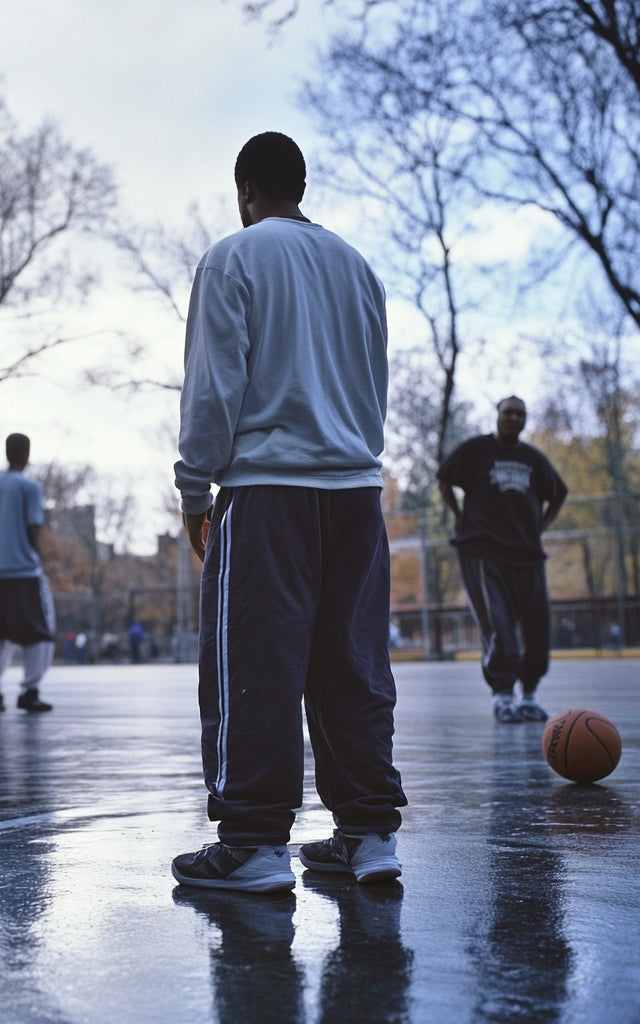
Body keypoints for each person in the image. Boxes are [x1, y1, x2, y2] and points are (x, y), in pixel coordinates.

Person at [171, 131, 407, 894]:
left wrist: (194, 488)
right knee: (355, 667)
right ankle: (369, 836)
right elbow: (372, 385)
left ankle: (254, 844)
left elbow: (215, 388)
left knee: (257, 667)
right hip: (355, 493)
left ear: (246, 190)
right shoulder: (357, 267)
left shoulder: (234, 258)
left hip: (270, 493)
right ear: (299, 186)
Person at [437, 396, 568, 723]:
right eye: (508, 412)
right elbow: (444, 478)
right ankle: (503, 697)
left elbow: (559, 493)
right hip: (483, 551)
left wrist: (541, 525)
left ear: (525, 421)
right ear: (497, 414)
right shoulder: (476, 451)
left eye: (520, 414)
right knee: (500, 627)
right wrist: (459, 516)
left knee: (537, 631)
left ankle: (529, 697)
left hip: (526, 555)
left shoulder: (533, 460)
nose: (514, 418)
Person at [0, 433, 55, 713]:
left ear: (6, 453)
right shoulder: (29, 487)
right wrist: (40, 559)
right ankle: (30, 691)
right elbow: (33, 527)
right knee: (38, 633)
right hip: (24, 572)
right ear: (27, 454)